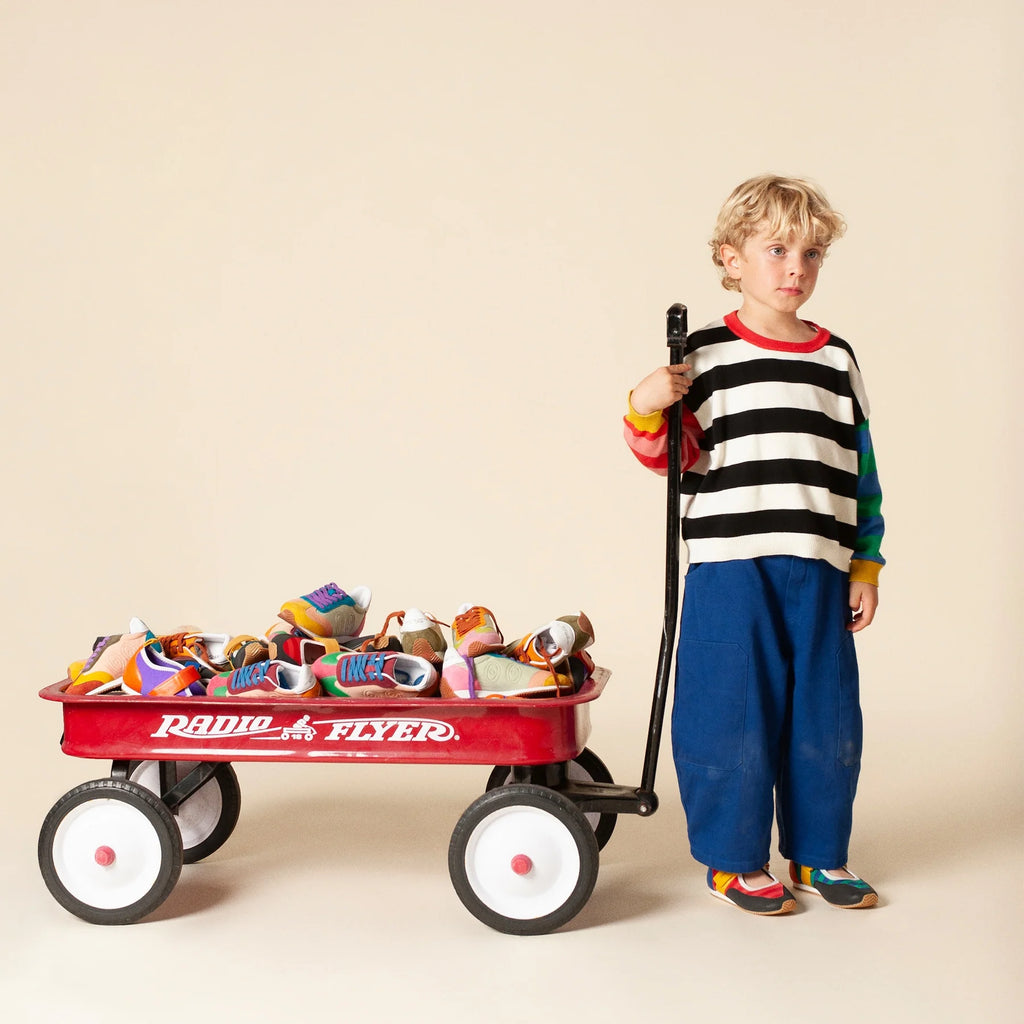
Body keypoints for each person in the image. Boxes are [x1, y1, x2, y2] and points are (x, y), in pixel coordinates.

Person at [624, 174, 884, 915]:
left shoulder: (836, 359)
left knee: (825, 715)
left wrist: (865, 562)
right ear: (730, 258)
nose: (795, 268)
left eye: (811, 254)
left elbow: (861, 470)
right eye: (776, 250)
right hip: (731, 566)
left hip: (820, 565)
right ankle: (734, 859)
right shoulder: (704, 355)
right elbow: (673, 460)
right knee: (729, 709)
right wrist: (645, 405)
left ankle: (819, 854)